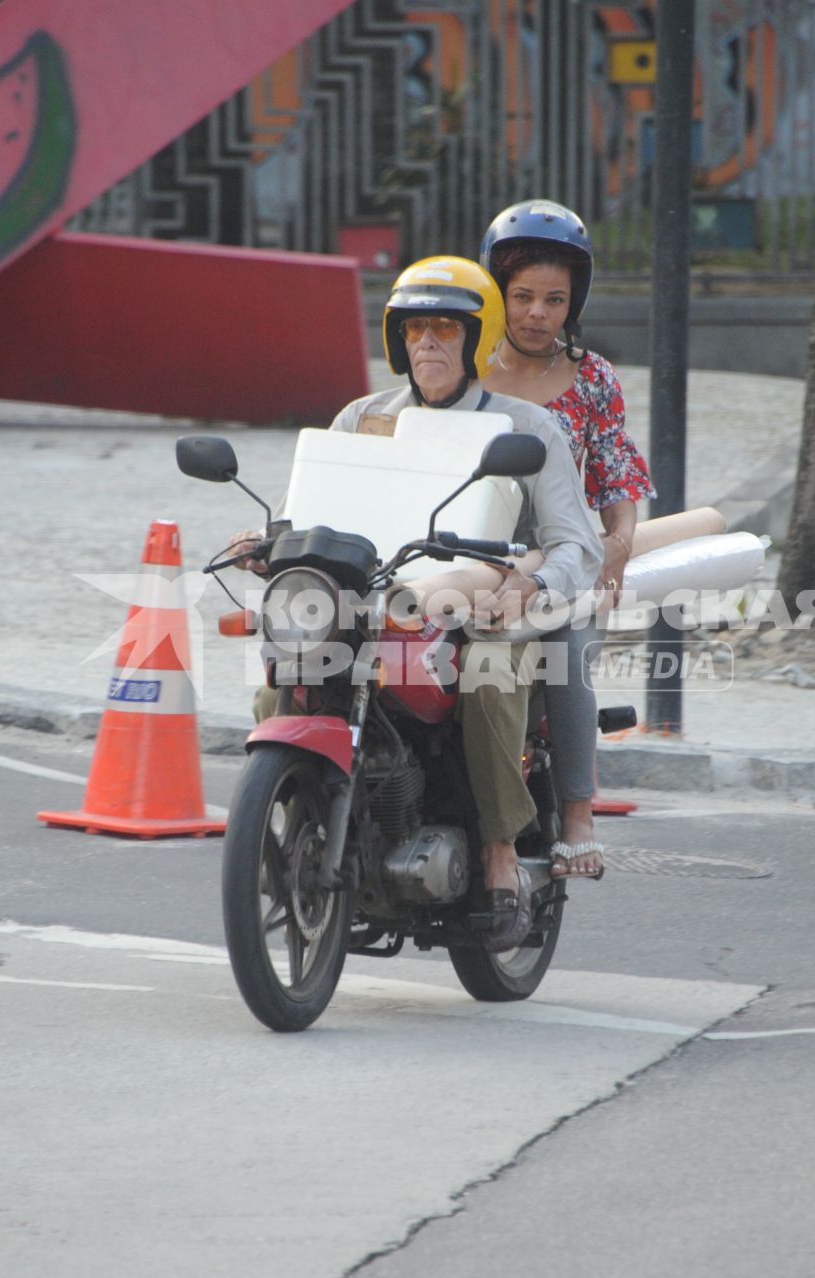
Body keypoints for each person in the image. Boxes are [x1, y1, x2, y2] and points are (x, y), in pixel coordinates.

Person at [226, 256, 601, 949]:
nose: (428, 343)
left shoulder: (526, 430)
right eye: (416, 329)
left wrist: (533, 584)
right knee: (278, 685)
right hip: (374, 602)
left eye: (446, 329)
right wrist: (269, 541)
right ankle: (301, 828)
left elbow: (579, 545)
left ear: (476, 336)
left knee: (488, 686)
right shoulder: (361, 418)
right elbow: (313, 513)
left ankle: (496, 856)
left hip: (485, 607)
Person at [478, 199, 656, 882]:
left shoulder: (593, 379)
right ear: (497, 295)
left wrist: (619, 540)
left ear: (573, 301)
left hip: (563, 553)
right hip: (471, 556)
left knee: (565, 650)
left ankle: (578, 813)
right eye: (521, 296)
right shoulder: (467, 372)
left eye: (554, 299)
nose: (535, 314)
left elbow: (617, 472)